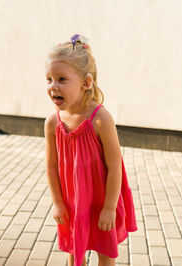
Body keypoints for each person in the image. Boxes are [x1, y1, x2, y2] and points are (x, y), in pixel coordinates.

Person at [44, 34, 137, 266]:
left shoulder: (100, 119)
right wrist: (57, 202)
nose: (53, 86)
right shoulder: (52, 123)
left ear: (85, 83)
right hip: (72, 202)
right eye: (49, 79)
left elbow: (115, 166)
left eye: (62, 79)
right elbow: (51, 166)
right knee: (75, 251)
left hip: (102, 199)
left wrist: (109, 208)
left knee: (105, 252)